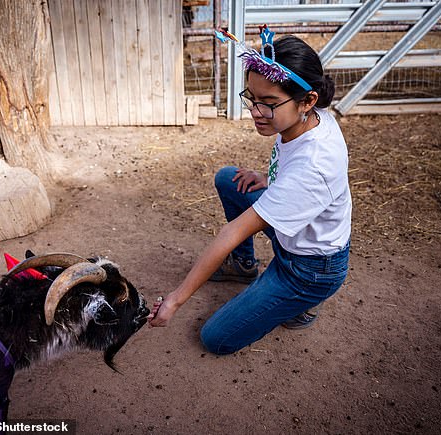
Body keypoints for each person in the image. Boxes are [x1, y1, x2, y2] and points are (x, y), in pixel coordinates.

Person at [147, 29, 352, 356]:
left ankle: (301, 303)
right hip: (295, 234)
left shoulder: (314, 163)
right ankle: (243, 267)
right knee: (231, 179)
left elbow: (233, 230)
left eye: (268, 103)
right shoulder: (307, 120)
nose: (256, 111)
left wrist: (175, 299)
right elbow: (297, 180)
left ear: (307, 100)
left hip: (309, 270)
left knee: (216, 338)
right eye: (252, 98)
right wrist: (268, 179)